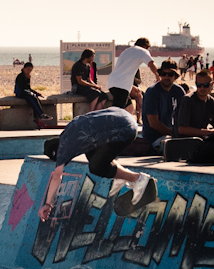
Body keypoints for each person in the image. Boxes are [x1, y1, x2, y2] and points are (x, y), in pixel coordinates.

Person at [38, 94, 155, 222]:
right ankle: (119, 176)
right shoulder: (71, 130)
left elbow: (57, 176)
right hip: (125, 116)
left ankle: (138, 179)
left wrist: (48, 204)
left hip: (125, 130)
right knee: (92, 155)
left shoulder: (63, 150)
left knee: (96, 167)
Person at [141, 59, 185, 152]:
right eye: (163, 74)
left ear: (176, 76)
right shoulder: (152, 92)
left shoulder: (179, 91)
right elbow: (154, 123)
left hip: (171, 135)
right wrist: (174, 133)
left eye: (170, 74)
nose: (166, 77)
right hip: (154, 139)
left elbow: (185, 115)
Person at [106, 38, 159, 111]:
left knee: (129, 108)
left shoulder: (127, 51)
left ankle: (126, 122)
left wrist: (131, 86)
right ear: (145, 47)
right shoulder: (143, 51)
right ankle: (108, 121)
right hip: (121, 85)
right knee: (117, 111)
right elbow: (151, 63)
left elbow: (123, 70)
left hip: (112, 82)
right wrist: (158, 76)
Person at [176, 71, 214, 137]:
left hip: (200, 141)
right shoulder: (187, 101)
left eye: (206, 85)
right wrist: (208, 132)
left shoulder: (212, 102)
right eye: (199, 85)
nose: (202, 88)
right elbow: (182, 129)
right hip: (183, 142)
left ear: (212, 84)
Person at [15, 62, 54, 129]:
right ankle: (41, 114)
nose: (29, 72)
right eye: (28, 70)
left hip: (26, 92)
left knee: (36, 99)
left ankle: (37, 118)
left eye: (30, 70)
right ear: (24, 69)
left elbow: (29, 88)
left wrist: (36, 93)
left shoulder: (27, 76)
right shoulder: (20, 76)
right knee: (32, 98)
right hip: (20, 93)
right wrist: (27, 80)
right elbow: (22, 87)